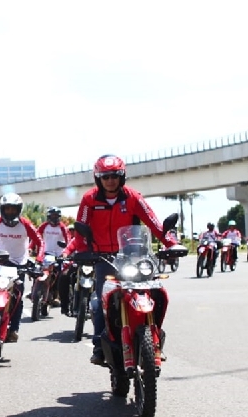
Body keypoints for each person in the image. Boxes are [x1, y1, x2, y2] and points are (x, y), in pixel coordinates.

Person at [74, 154, 181, 366]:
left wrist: (171, 244)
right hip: (103, 259)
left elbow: (154, 223)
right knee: (98, 303)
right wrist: (82, 252)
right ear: (98, 178)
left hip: (133, 256)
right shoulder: (89, 200)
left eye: (115, 175)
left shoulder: (133, 197)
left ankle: (156, 339)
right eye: (105, 177)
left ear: (122, 176)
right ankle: (99, 345)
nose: (110, 180)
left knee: (156, 292)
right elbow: (81, 229)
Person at [0, 192, 45, 343]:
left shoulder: (25, 224)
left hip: (19, 266)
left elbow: (40, 242)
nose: (10, 212)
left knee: (18, 297)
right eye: (7, 209)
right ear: (2, 209)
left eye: (13, 209)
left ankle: (14, 329)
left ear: (19, 209)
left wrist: (39, 260)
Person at [37, 207, 70, 308]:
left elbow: (68, 239)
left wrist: (66, 251)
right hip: (46, 254)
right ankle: (36, 290)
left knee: (60, 275)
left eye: (56, 216)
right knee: (38, 270)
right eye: (52, 215)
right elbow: (36, 235)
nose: (54, 217)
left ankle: (57, 296)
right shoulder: (44, 226)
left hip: (59, 256)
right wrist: (31, 247)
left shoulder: (62, 227)